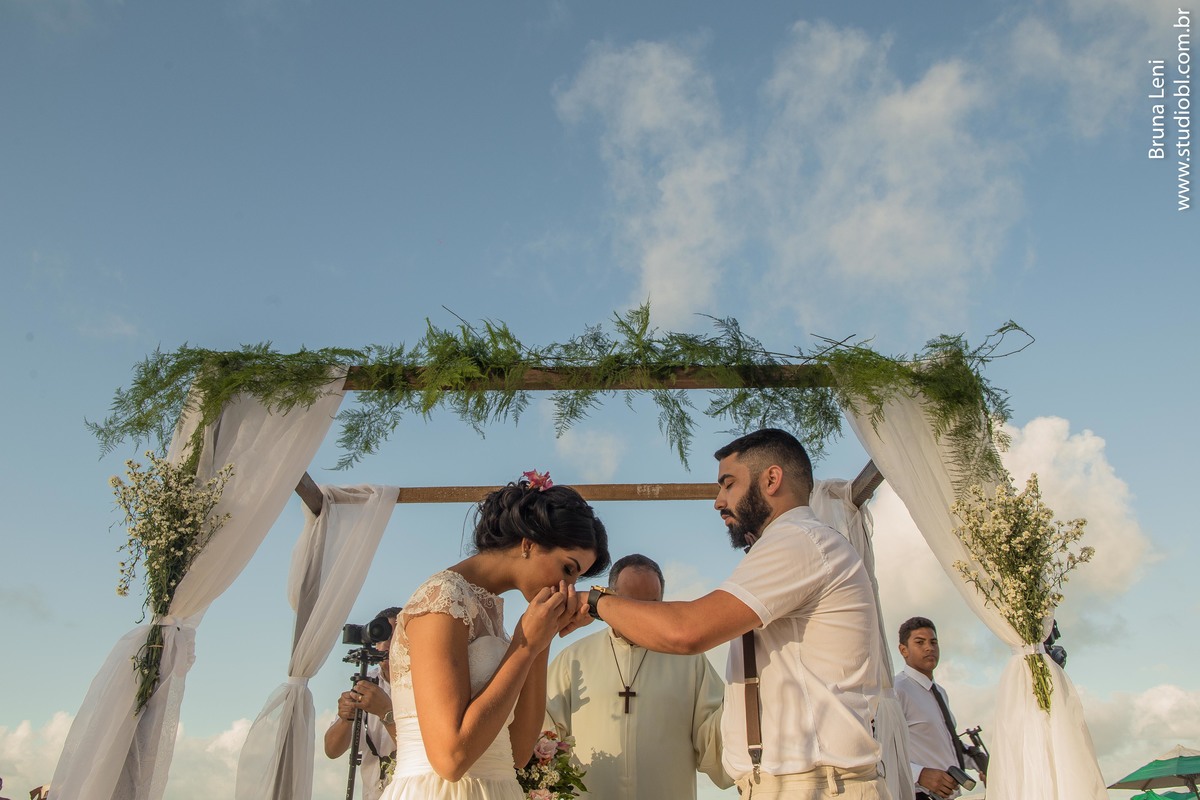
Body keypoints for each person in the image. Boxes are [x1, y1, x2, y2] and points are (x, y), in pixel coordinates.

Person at [582, 429, 889, 799]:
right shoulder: (780, 547)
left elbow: (688, 630)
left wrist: (595, 601)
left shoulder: (800, 543)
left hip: (816, 785)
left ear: (771, 480)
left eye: (728, 485)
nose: (718, 501)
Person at [380, 472, 610, 800]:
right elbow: (450, 759)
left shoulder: (490, 614)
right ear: (528, 543)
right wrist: (525, 644)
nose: (568, 589)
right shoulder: (441, 600)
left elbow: (515, 752)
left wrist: (542, 640)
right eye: (568, 569)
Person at [545, 553, 732, 799]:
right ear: (609, 602)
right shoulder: (573, 660)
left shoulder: (689, 661)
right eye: (631, 603)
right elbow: (545, 739)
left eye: (652, 604)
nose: (641, 613)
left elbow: (715, 741)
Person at [894, 617, 982, 800]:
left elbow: (945, 744)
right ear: (903, 650)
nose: (929, 648)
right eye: (920, 642)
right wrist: (919, 774)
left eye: (933, 642)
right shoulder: (896, 690)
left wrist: (979, 762)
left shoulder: (940, 692)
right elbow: (878, 748)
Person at [325, 606, 404, 800]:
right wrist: (345, 719)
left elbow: (424, 752)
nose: (387, 645)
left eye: (396, 636)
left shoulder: (426, 683)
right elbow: (332, 750)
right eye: (382, 636)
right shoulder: (366, 682)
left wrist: (386, 712)